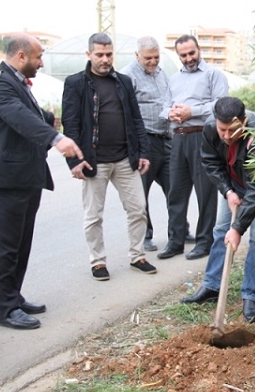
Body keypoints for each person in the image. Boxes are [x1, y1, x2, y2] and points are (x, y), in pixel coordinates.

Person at [0, 33, 84, 329]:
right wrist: (55, 137)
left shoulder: (17, 83)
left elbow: (30, 115)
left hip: (26, 178)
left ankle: (14, 297)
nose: (41, 63)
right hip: (6, 181)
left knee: (21, 244)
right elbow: (17, 116)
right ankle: (6, 309)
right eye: (38, 57)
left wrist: (47, 118)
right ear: (20, 56)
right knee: (5, 246)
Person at [181, 97, 255, 323]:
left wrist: (238, 228)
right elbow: (210, 162)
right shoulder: (211, 128)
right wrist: (228, 191)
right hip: (234, 185)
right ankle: (212, 285)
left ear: (244, 120)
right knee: (221, 231)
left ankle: (251, 295)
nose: (227, 136)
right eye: (223, 130)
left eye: (232, 130)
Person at [62, 32, 157, 281]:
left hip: (126, 159)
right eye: (99, 55)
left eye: (109, 54)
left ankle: (137, 256)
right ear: (89, 54)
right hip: (94, 161)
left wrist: (143, 152)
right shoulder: (75, 83)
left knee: (138, 209)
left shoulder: (123, 82)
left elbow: (137, 120)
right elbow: (70, 125)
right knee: (93, 216)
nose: (105, 59)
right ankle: (98, 262)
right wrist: (74, 160)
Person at [157, 34, 229, 261]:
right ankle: (175, 241)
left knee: (205, 193)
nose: (188, 58)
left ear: (198, 50)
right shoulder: (174, 79)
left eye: (191, 53)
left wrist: (192, 111)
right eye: (183, 55)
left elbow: (221, 104)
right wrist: (171, 113)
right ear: (178, 55)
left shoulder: (213, 74)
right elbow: (164, 106)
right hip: (177, 138)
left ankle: (204, 242)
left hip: (203, 137)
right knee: (175, 192)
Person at [120, 36, 172, 252]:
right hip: (145, 142)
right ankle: (146, 235)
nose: (153, 61)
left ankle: (178, 231)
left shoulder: (161, 73)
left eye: (156, 57)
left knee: (175, 189)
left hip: (166, 139)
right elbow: (125, 113)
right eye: (148, 58)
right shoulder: (127, 76)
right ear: (137, 55)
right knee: (141, 194)